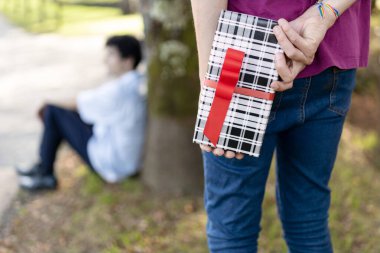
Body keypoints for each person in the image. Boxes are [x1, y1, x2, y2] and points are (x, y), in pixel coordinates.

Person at [191, 0, 370, 252]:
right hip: (331, 48)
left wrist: (213, 87)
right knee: (309, 221)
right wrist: (325, 12)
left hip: (240, 55)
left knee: (231, 229)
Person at [16, 35, 147, 190]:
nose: (106, 60)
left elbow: (78, 103)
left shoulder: (119, 91)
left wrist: (46, 102)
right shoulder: (136, 82)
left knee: (53, 111)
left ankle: (45, 173)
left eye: (111, 55)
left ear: (128, 61)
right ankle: (42, 167)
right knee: (63, 113)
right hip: (125, 159)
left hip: (112, 163)